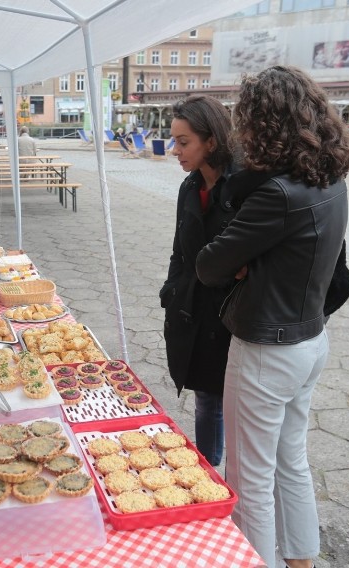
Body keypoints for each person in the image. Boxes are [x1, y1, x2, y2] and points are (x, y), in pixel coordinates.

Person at [195, 65, 349, 568]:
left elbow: (208, 265)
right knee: (291, 462)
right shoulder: (329, 179)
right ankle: (302, 560)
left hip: (268, 348)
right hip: (309, 340)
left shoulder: (278, 194)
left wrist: (245, 261)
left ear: (264, 125)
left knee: (250, 480)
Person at [159, 94, 236, 467]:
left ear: (212, 141)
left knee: (222, 398)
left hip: (229, 313)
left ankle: (216, 469)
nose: (175, 150)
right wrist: (171, 290)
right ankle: (209, 465)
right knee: (206, 395)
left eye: (183, 141)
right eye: (174, 140)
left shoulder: (242, 188)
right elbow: (179, 248)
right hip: (193, 306)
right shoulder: (190, 187)